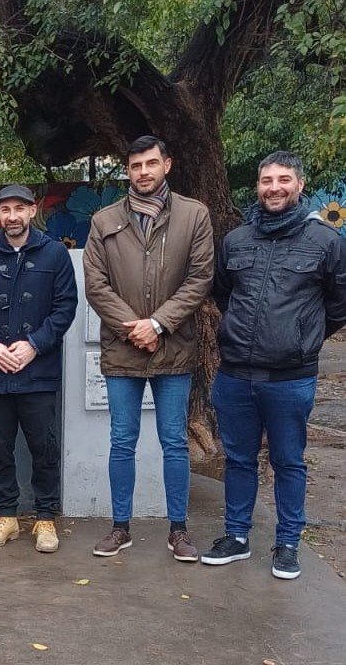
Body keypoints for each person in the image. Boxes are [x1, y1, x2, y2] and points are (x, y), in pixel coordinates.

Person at [201, 151, 346, 579]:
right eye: (267, 180)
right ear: (258, 187)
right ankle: (237, 536)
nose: (274, 187)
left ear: (299, 185)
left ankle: (287, 543)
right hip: (235, 374)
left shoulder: (325, 242)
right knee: (239, 459)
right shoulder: (237, 240)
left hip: (290, 379)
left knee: (288, 460)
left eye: (284, 179)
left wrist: (303, 337)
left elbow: (338, 305)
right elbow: (224, 293)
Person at [83, 136, 213, 562]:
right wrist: (135, 329)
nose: (143, 171)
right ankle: (121, 528)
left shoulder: (194, 215)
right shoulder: (103, 221)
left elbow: (199, 279)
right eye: (136, 165)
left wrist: (158, 324)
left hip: (174, 348)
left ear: (167, 165)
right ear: (128, 170)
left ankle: (178, 530)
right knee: (122, 441)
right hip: (124, 350)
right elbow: (96, 286)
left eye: (151, 163)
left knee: (174, 441)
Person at [0, 185, 77, 552]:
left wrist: (34, 345)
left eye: (19, 208)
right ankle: (5, 517)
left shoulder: (56, 255)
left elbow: (65, 308)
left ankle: (45, 519)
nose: (12, 216)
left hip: (38, 372)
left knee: (44, 447)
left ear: (32, 210)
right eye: (5, 209)